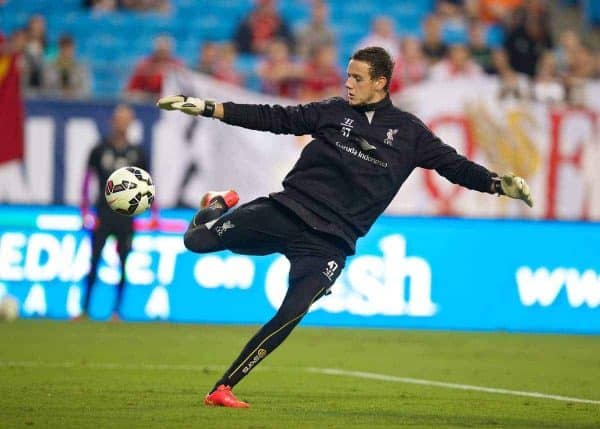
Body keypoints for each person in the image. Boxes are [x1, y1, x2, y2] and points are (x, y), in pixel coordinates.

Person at [157, 46, 533, 408]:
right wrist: (210, 108)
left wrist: (497, 184)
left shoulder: (410, 134)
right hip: (287, 211)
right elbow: (274, 117)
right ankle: (217, 204)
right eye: (347, 75)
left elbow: (455, 166)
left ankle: (223, 387)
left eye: (357, 77)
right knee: (196, 242)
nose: (348, 83)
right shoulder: (333, 111)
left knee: (291, 312)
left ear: (381, 83)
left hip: (330, 245)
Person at [80, 104, 151, 319]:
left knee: (123, 262)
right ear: (113, 121)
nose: (122, 123)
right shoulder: (99, 149)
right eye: (119, 119)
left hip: (126, 217)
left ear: (130, 123)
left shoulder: (137, 152)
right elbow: (87, 179)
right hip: (103, 213)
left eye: (126, 119)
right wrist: (84, 209)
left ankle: (116, 311)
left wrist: (153, 214)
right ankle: (84, 309)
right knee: (93, 261)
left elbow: (147, 184)